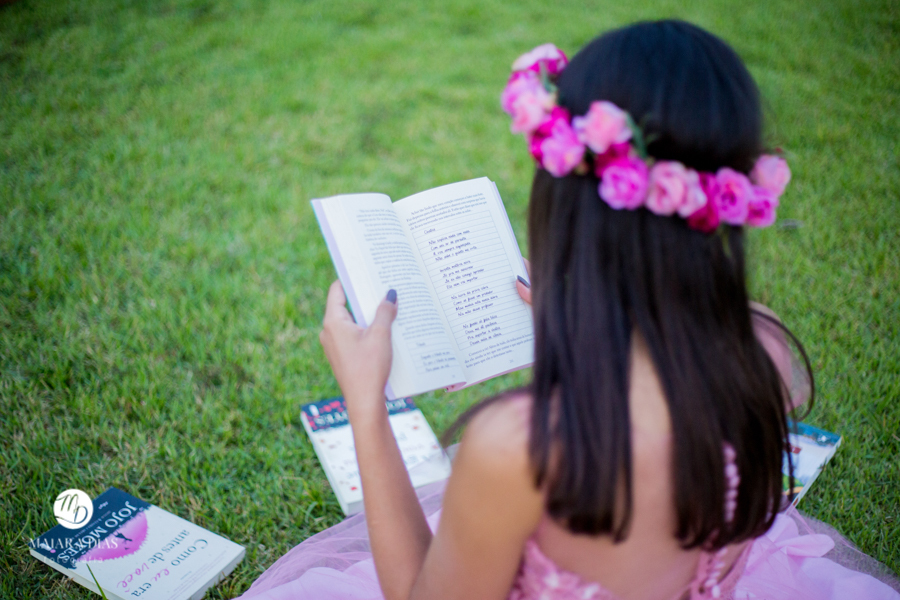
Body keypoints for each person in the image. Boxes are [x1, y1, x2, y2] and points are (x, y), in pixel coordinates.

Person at [240, 20, 900, 600]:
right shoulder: (766, 347)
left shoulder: (522, 449)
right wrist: (577, 316)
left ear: (564, 193)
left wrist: (364, 402)